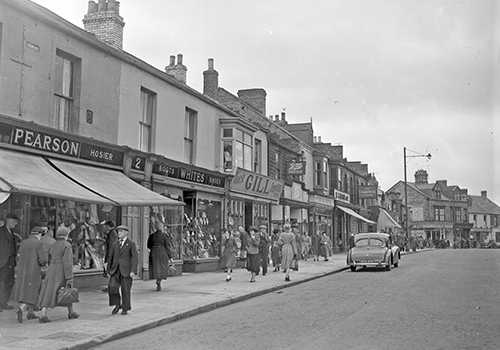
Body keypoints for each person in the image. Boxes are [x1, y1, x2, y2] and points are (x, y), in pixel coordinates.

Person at [38, 227, 79, 323]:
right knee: (67, 290)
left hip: (52, 268)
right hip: (61, 270)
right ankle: (71, 312)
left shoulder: (53, 244)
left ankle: (43, 314)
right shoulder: (66, 245)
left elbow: (48, 257)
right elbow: (67, 262)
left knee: (48, 291)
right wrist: (69, 277)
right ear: (66, 235)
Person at [15, 226, 47, 323]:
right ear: (39, 234)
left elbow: (18, 256)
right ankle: (21, 308)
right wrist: (44, 264)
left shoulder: (24, 242)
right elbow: (42, 259)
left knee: (25, 289)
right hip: (34, 270)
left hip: (22, 270)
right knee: (32, 290)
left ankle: (31, 313)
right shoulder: (39, 243)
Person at [107, 225, 138, 315]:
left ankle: (125, 308)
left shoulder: (131, 244)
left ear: (126, 232)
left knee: (125, 290)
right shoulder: (115, 244)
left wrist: (133, 270)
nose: (119, 233)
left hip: (126, 270)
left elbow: (134, 258)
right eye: (118, 231)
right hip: (115, 270)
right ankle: (117, 304)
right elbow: (111, 257)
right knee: (112, 287)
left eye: (121, 231)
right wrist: (108, 270)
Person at [0, 213, 19, 311]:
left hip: (10, 261)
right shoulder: (1, 231)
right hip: (2, 261)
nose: (15, 224)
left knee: (9, 282)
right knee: (1, 282)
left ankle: (4, 303)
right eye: (14, 221)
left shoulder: (12, 232)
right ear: (8, 220)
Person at [147, 221, 172, 291]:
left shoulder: (152, 236)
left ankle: (157, 279)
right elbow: (167, 246)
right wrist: (170, 256)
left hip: (154, 252)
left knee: (156, 267)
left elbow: (148, 245)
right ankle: (159, 280)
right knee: (162, 267)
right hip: (162, 252)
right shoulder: (165, 236)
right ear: (162, 227)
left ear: (155, 227)